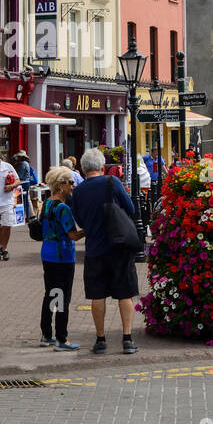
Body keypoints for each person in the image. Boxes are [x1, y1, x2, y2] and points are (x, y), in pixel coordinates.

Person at [71, 147, 140, 354]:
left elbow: (80, 220)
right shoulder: (112, 182)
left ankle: (100, 340)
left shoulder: (78, 191)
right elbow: (131, 209)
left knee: (97, 295)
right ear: (102, 167)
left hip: (94, 250)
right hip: (118, 247)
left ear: (83, 170)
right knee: (124, 294)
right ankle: (127, 339)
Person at [38, 165, 84, 351]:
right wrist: (88, 231)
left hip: (47, 253)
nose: (73, 186)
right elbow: (72, 235)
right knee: (62, 296)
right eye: (71, 182)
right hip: (62, 255)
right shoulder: (63, 208)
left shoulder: (47, 203)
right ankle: (61, 338)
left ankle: (46, 334)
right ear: (61, 185)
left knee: (51, 293)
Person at [13, 150, 39, 220]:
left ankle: (25, 216)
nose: (18, 158)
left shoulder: (22, 164)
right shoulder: (26, 163)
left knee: (22, 201)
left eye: (19, 157)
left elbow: (19, 176)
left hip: (23, 183)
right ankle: (29, 215)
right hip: (26, 183)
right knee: (27, 200)